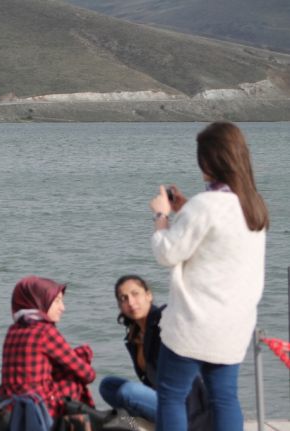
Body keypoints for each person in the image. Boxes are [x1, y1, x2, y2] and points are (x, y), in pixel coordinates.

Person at [149, 121, 269, 431]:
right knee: (224, 398)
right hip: (233, 324)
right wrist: (185, 209)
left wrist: (161, 216)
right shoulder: (252, 206)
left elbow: (167, 253)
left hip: (194, 324)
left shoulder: (205, 206)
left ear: (210, 159)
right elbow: (218, 238)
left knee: (172, 396)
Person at [99, 275, 212, 428]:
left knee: (128, 392)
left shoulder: (164, 320)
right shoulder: (135, 335)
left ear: (148, 295)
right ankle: (135, 425)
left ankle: (142, 425)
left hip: (185, 407)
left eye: (135, 294)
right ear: (120, 306)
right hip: (161, 397)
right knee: (107, 386)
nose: (131, 302)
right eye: (123, 298)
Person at [0, 275, 95, 420]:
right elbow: (87, 374)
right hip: (38, 408)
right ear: (40, 300)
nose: (62, 308)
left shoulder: (13, 329)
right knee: (75, 376)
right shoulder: (44, 331)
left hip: (10, 405)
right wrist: (85, 356)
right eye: (56, 301)